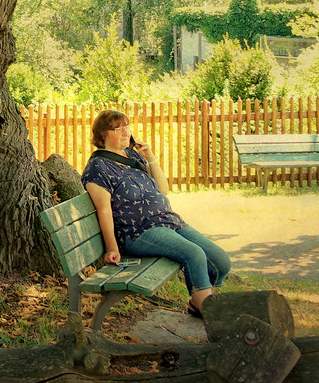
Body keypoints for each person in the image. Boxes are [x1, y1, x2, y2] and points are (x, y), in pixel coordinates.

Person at [81, 108, 231, 317]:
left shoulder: (132, 155)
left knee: (221, 261)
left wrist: (149, 156)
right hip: (138, 231)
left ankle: (200, 305)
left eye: (127, 127)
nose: (126, 132)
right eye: (118, 129)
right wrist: (112, 248)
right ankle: (210, 314)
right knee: (194, 254)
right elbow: (104, 211)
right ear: (102, 135)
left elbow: (163, 189)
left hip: (168, 221)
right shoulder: (98, 168)